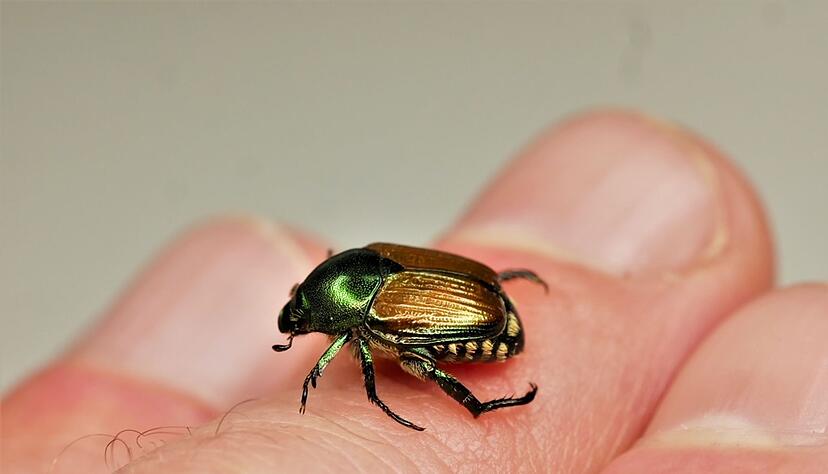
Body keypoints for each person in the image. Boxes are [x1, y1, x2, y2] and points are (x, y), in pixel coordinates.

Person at [3, 110, 825, 473]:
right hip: (475, 292)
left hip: (480, 315)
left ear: (334, 306)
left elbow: (363, 368)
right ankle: (480, 403)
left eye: (309, 314)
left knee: (411, 368)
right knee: (402, 367)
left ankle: (480, 407)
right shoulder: (359, 277)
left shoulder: (360, 322)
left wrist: (353, 382)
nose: (303, 324)